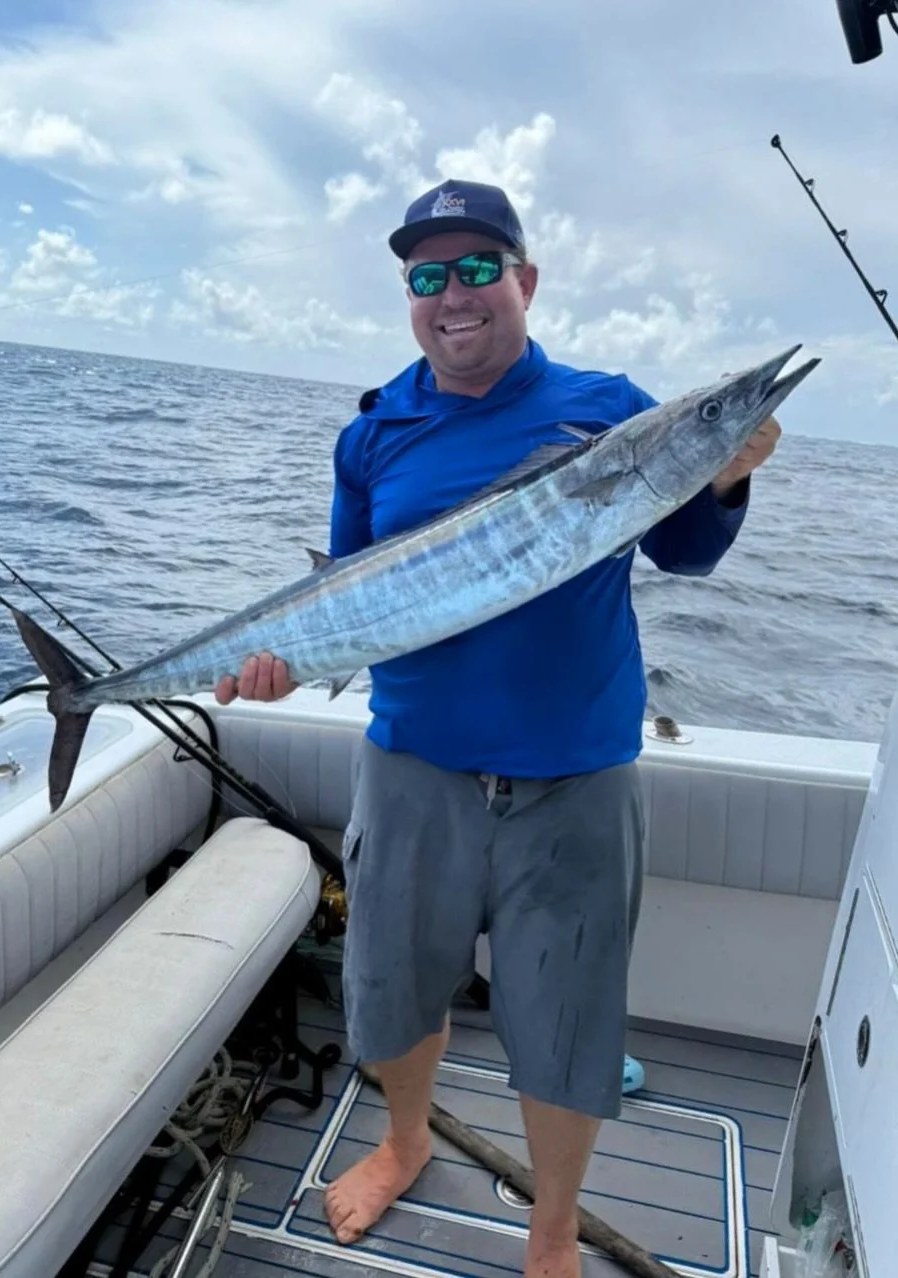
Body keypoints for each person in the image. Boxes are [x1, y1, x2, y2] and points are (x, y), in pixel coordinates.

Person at [215, 179, 780, 1278]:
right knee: (388, 990)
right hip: (412, 767)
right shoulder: (374, 433)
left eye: (479, 269)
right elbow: (344, 597)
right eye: (429, 276)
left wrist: (721, 472)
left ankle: (553, 1232)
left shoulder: (611, 408)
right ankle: (406, 1142)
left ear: (526, 281)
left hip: (574, 777)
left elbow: (690, 555)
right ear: (410, 298)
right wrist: (289, 666)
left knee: (567, 1027)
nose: (454, 294)